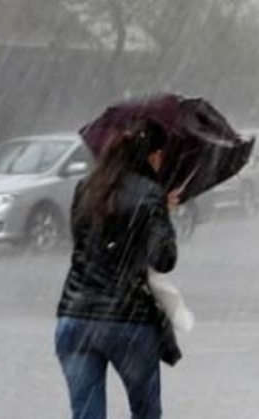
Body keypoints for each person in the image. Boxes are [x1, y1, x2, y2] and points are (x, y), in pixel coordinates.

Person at [55, 119, 180, 419]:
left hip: (76, 317)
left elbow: (85, 244)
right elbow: (164, 259)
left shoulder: (86, 188)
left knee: (86, 415)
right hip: (128, 319)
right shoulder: (150, 194)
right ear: (152, 155)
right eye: (162, 154)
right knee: (146, 412)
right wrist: (164, 214)